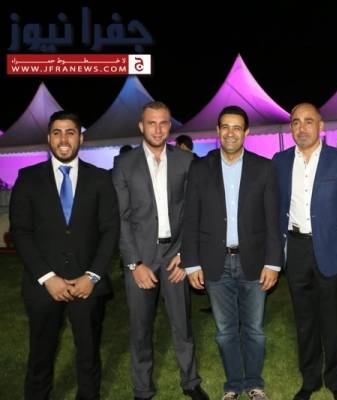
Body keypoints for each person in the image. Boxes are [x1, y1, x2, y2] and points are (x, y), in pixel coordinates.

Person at [9, 111, 119, 400]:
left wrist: (92, 276)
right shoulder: (28, 178)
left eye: (70, 132)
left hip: (87, 286)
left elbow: (110, 230)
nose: (63, 139)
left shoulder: (100, 178)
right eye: (57, 132)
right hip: (43, 286)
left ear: (81, 138)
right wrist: (48, 278)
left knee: (88, 355)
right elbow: (20, 231)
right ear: (48, 138)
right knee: (40, 355)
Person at [181, 105, 282, 400]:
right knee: (225, 331)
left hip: (254, 261)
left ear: (246, 132)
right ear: (217, 130)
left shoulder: (264, 168)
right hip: (215, 261)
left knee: (254, 329)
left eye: (237, 127)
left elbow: (272, 220)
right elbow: (191, 219)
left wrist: (273, 263)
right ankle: (233, 385)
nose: (230, 133)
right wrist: (192, 264)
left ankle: (255, 383)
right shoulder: (200, 169)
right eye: (225, 126)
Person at [112, 101, 208, 400]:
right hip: (140, 258)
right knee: (140, 328)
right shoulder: (123, 164)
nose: (157, 129)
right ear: (141, 126)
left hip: (175, 255)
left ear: (170, 126)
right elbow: (120, 218)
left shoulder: (186, 161)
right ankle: (142, 388)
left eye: (163, 123)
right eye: (151, 123)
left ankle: (190, 382)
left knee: (182, 324)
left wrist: (186, 255)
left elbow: (195, 211)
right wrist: (133, 263)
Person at [272, 103, 337, 400]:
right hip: (296, 248)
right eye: (296, 122)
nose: (301, 128)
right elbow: (275, 208)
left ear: (321, 126)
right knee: (304, 320)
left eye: (308, 121)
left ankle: (336, 381)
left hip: (333, 250)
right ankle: (310, 380)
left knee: (333, 320)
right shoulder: (280, 161)